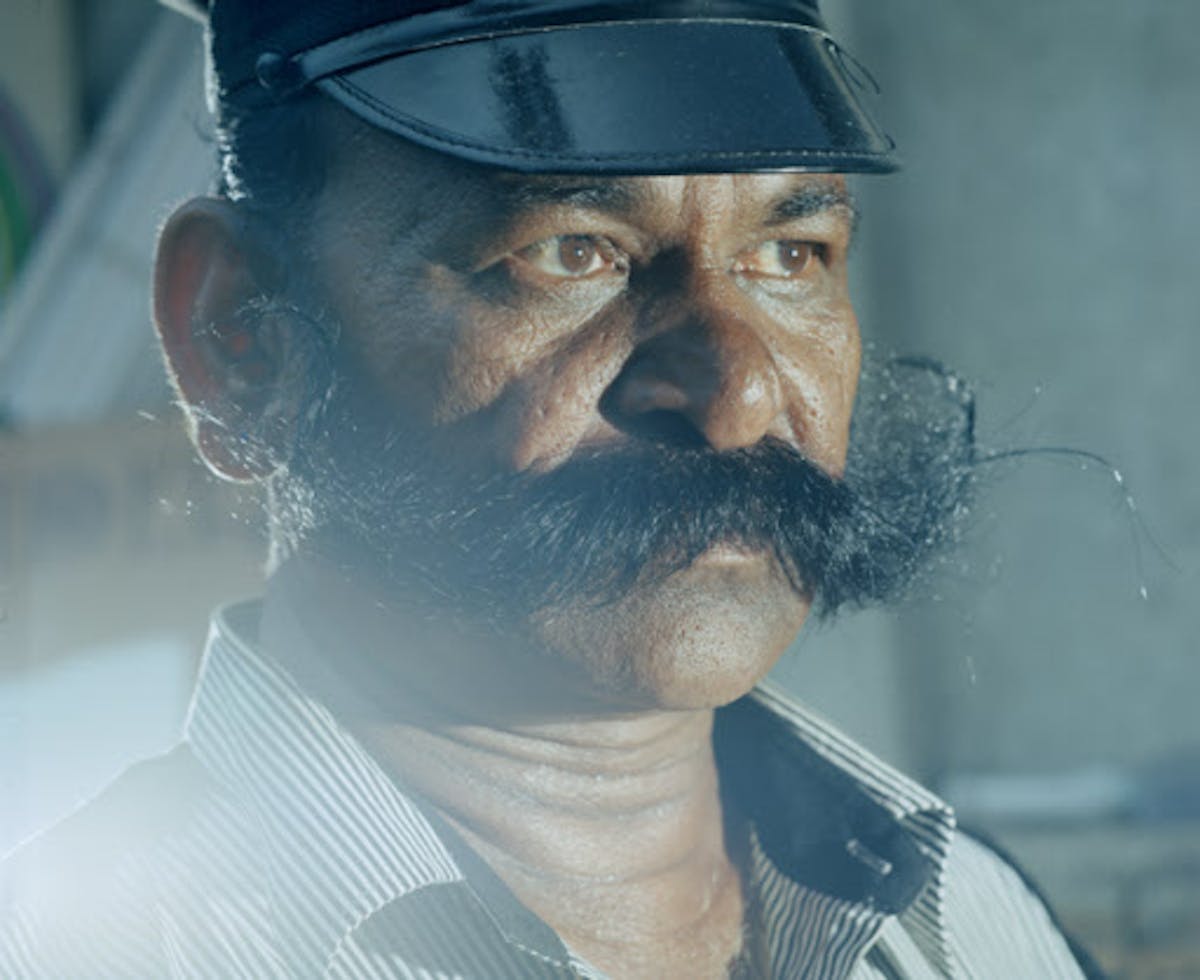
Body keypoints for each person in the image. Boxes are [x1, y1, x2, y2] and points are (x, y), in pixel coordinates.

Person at [1, 1, 1102, 977]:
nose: (736, 395)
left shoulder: (977, 924)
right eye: (571, 252)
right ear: (237, 340)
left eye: (791, 255)